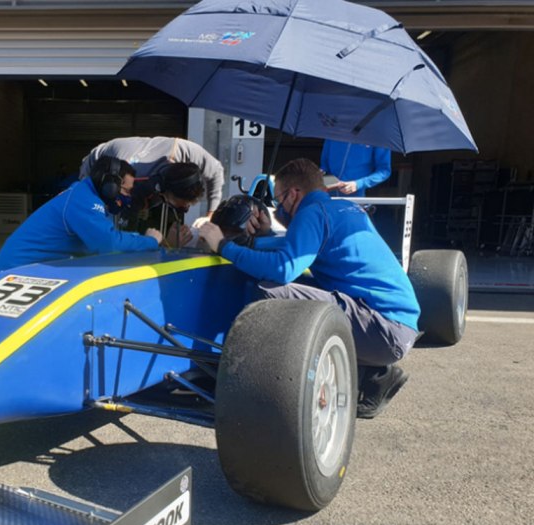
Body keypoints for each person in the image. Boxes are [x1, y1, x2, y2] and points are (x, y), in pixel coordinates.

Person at [198, 158, 420, 419]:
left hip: (384, 330)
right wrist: (265, 235)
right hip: (393, 325)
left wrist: (222, 245)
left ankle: (256, 380)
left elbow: (282, 269)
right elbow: (298, 246)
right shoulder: (342, 208)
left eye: (280, 200)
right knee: (298, 287)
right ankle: (375, 374)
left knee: (271, 291)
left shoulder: (312, 213)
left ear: (294, 194)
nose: (279, 207)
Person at [0, 156, 166, 273]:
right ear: (110, 186)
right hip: (16, 271)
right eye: (126, 191)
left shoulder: (86, 195)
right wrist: (149, 241)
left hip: (31, 268)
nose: (128, 197)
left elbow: (98, 245)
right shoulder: (83, 200)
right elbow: (108, 243)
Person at [79, 136, 225, 215]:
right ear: (164, 189)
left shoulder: (184, 150)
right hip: (94, 167)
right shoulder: (128, 173)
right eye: (179, 205)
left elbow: (216, 170)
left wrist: (210, 215)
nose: (185, 208)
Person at [320, 139, 391, 198]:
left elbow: (384, 170)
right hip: (329, 195)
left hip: (358, 196)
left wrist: (358, 184)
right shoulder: (333, 132)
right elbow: (324, 166)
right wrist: (323, 177)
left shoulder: (377, 136)